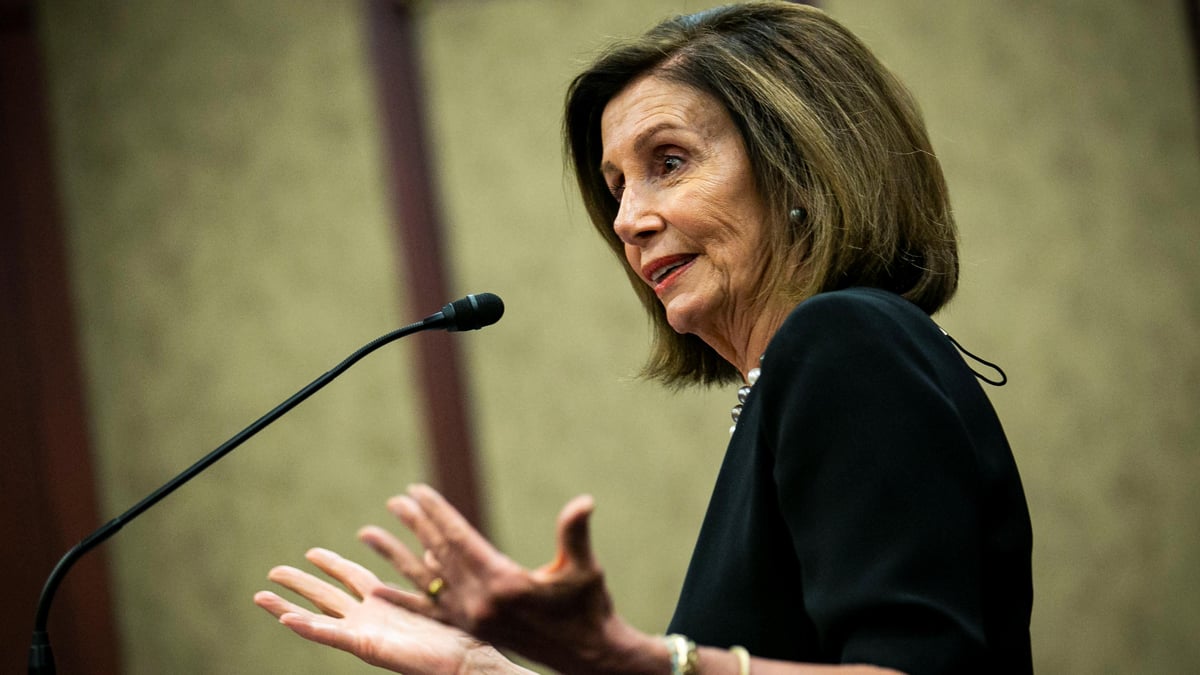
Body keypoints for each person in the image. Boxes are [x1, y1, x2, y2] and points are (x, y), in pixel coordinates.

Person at [254, 3, 1033, 674]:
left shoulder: (845, 340)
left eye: (669, 162)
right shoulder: (801, 377)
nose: (628, 220)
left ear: (797, 169)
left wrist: (638, 657)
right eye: (618, 185)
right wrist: (478, 664)